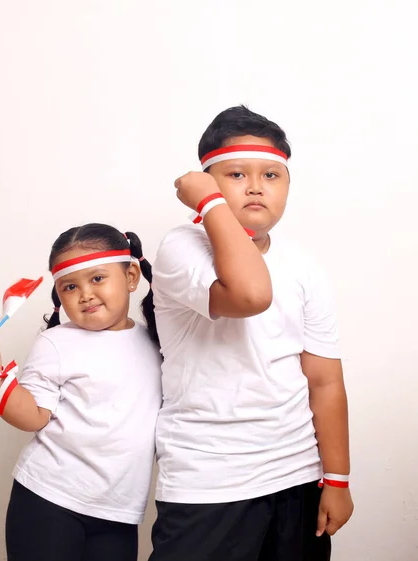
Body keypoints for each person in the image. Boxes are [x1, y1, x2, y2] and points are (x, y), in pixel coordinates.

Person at [149, 106, 353, 561]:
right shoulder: (180, 247)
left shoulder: (303, 264)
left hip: (297, 474)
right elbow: (250, 294)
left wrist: (337, 478)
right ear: (206, 182)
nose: (257, 186)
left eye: (272, 175)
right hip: (209, 480)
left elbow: (324, 380)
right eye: (236, 173)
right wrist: (210, 206)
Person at [0, 223, 162, 561]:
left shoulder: (157, 341)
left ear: (131, 276)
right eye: (70, 286)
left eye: (97, 278)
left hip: (119, 512)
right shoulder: (56, 343)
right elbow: (33, 417)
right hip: (48, 502)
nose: (85, 294)